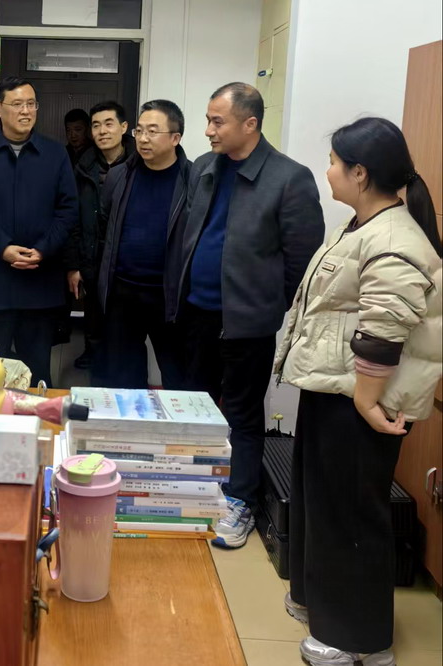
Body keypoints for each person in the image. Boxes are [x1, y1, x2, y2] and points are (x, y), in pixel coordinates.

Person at [274, 117, 441, 666]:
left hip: (360, 400)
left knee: (351, 516)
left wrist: (367, 400)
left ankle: (357, 640)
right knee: (323, 505)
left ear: (360, 173)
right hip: (335, 389)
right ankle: (319, 602)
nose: (328, 172)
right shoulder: (362, 225)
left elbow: (385, 328)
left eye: (334, 163)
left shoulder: (393, 238)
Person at [174, 82, 324, 549]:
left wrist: (265, 306)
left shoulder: (289, 178)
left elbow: (302, 263)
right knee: (196, 407)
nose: (208, 130)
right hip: (196, 312)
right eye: (208, 120)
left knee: (240, 414)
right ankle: (198, 492)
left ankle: (239, 500)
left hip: (246, 322)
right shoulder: (204, 167)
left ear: (250, 123)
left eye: (217, 121)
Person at [0, 77, 78, 386]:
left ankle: (38, 418)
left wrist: (43, 248)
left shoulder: (55, 154)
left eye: (31, 104)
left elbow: (68, 209)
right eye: (17, 104)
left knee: (37, 372)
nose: (26, 111)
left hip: (40, 282)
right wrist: (3, 247)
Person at [95, 100, 192, 389]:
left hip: (170, 296)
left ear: (175, 138)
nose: (143, 138)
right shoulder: (119, 175)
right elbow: (105, 227)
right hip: (123, 293)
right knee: (124, 380)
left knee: (178, 377)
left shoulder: (195, 180)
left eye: (153, 131)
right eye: (139, 131)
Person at [64, 100, 136, 372]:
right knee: (93, 318)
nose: (102, 131)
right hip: (91, 258)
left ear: (124, 127)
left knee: (125, 329)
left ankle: (119, 371)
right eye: (96, 125)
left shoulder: (139, 163)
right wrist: (73, 266)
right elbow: (71, 219)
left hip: (126, 263)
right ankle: (95, 363)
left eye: (109, 124)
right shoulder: (82, 167)